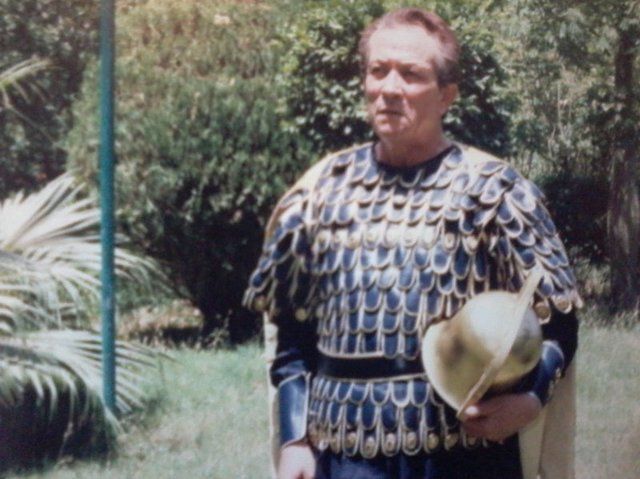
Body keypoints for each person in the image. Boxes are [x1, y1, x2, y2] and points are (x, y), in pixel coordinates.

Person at [244, 8, 580, 479]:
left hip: (465, 454)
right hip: (345, 455)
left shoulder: (495, 193)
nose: (389, 88)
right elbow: (289, 334)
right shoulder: (318, 193)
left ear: (446, 96)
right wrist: (295, 439)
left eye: (411, 74)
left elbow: (559, 320)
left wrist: (531, 396)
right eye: (378, 70)